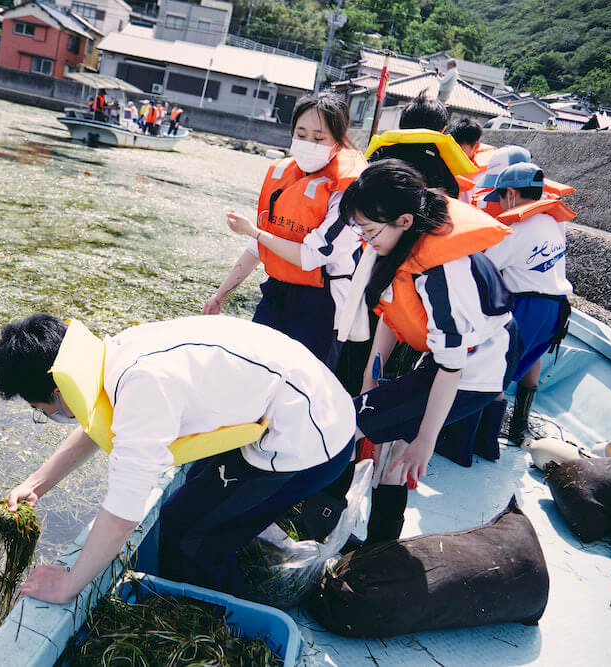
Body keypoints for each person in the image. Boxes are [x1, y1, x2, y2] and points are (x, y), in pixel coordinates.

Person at [0, 314, 356, 601]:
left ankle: (216, 622)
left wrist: (68, 584)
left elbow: (122, 515)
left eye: (40, 409)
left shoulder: (143, 386)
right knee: (195, 504)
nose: (47, 415)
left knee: (185, 536)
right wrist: (36, 484)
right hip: (304, 404)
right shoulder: (114, 354)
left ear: (58, 390)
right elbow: (97, 422)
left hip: (312, 441)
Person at [339, 160, 522, 542]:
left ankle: (355, 541)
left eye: (370, 230)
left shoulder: (442, 273)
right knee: (392, 451)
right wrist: (371, 376)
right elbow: (392, 313)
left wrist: (426, 440)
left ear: (405, 220)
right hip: (444, 359)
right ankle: (377, 546)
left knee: (350, 426)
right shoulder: (397, 245)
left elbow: (452, 368)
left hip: (476, 367)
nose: (366, 240)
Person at [203, 93, 367, 371]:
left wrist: (253, 232)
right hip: (277, 291)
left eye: (318, 138)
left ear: (338, 142)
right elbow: (259, 248)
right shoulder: (284, 176)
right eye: (301, 135)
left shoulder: (349, 190)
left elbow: (311, 256)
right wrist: (220, 295)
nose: (308, 144)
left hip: (323, 302)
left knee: (303, 381)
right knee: (253, 369)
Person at [483, 162, 575, 445]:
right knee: (532, 358)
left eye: (500, 197)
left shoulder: (516, 229)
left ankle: (483, 440)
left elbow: (486, 266)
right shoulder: (554, 221)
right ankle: (519, 427)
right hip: (557, 309)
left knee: (497, 369)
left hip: (526, 306)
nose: (500, 204)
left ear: (511, 193)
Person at [367, 94, 461, 198]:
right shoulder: (439, 163)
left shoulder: (382, 151)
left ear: (402, 125)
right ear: (442, 130)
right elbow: (453, 193)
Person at [449, 118, 495, 204]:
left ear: (476, 147)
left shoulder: (485, 176)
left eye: (461, 152)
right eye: (452, 151)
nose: (455, 156)